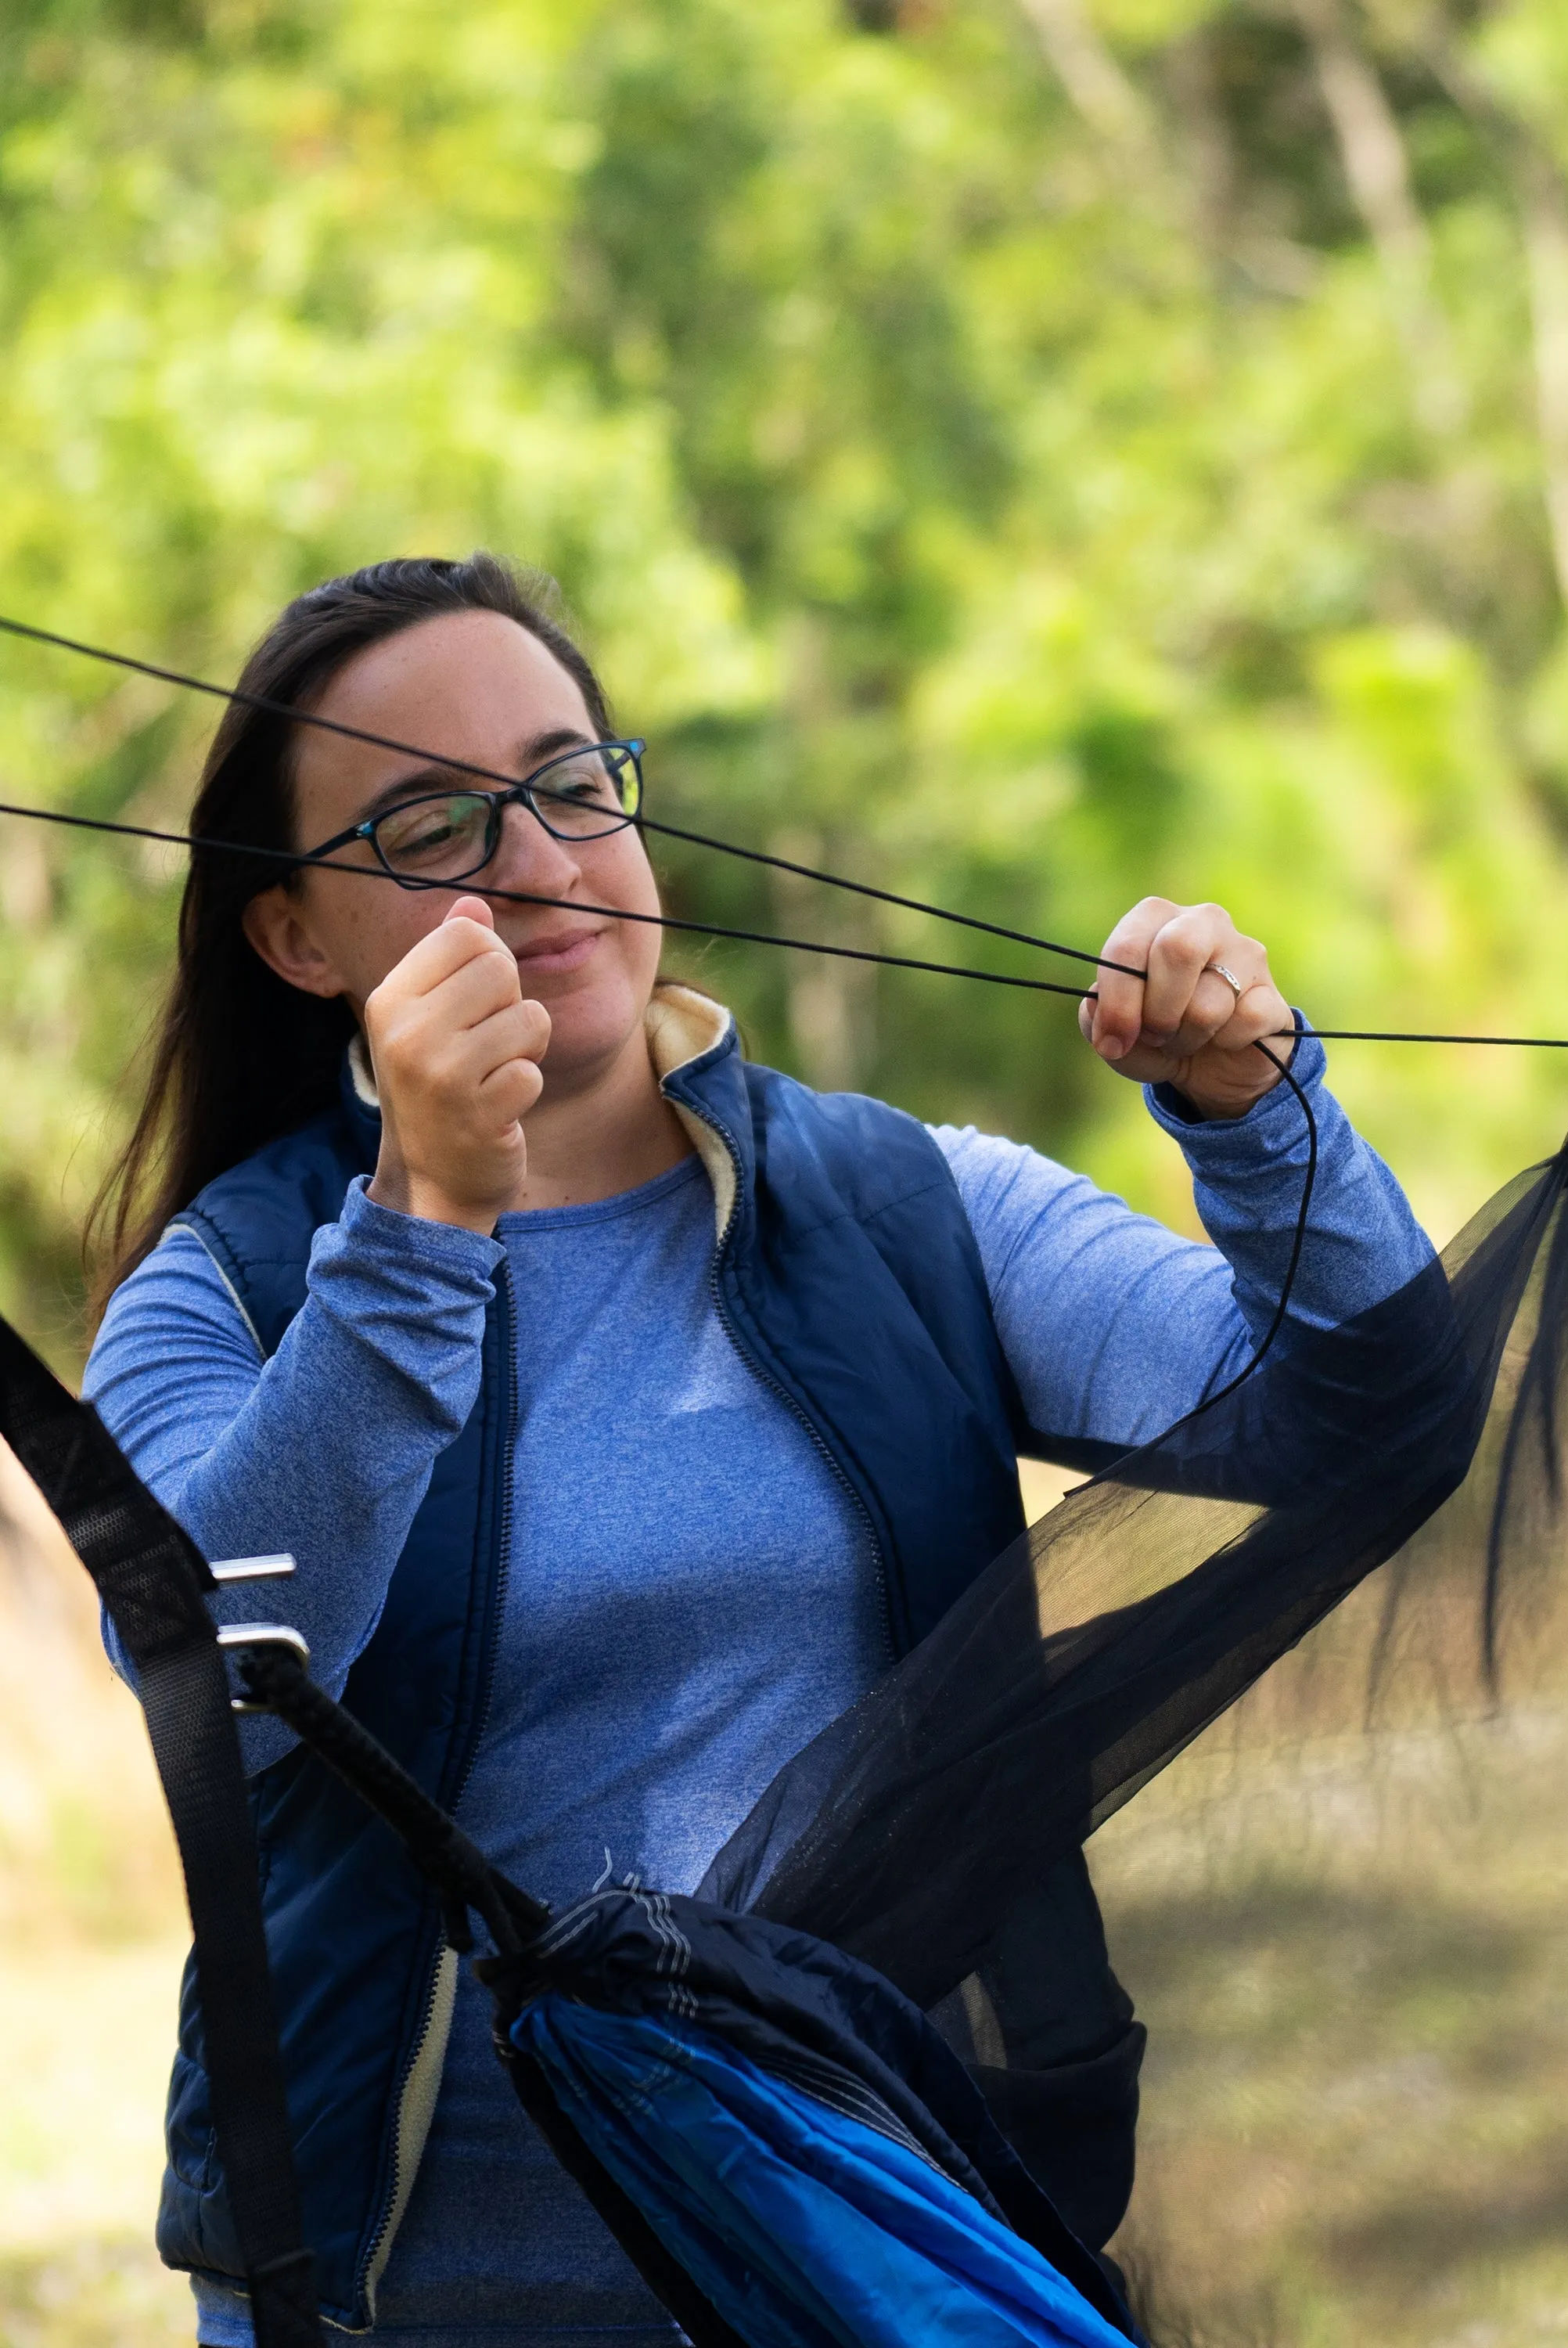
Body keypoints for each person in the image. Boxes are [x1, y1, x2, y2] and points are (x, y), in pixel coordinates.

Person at [81, 555, 1437, 2348]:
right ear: (295, 940)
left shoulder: (904, 1203)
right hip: (412, 2299)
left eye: (573, 786)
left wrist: (1263, 1119)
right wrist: (418, 1226)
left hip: (893, 2259)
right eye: (428, 828)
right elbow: (228, 1662)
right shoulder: (223, 1295)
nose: (542, 865)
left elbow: (1372, 1413)